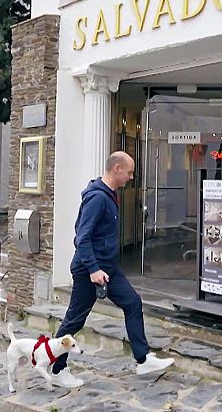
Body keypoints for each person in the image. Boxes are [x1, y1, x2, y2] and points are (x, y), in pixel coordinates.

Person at [48, 151, 175, 388]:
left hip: (108, 267)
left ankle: (143, 359)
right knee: (74, 321)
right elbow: (81, 237)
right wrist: (94, 269)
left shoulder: (109, 195)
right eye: (129, 172)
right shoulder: (97, 198)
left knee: (132, 303)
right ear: (116, 168)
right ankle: (57, 370)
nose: (131, 176)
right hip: (89, 270)